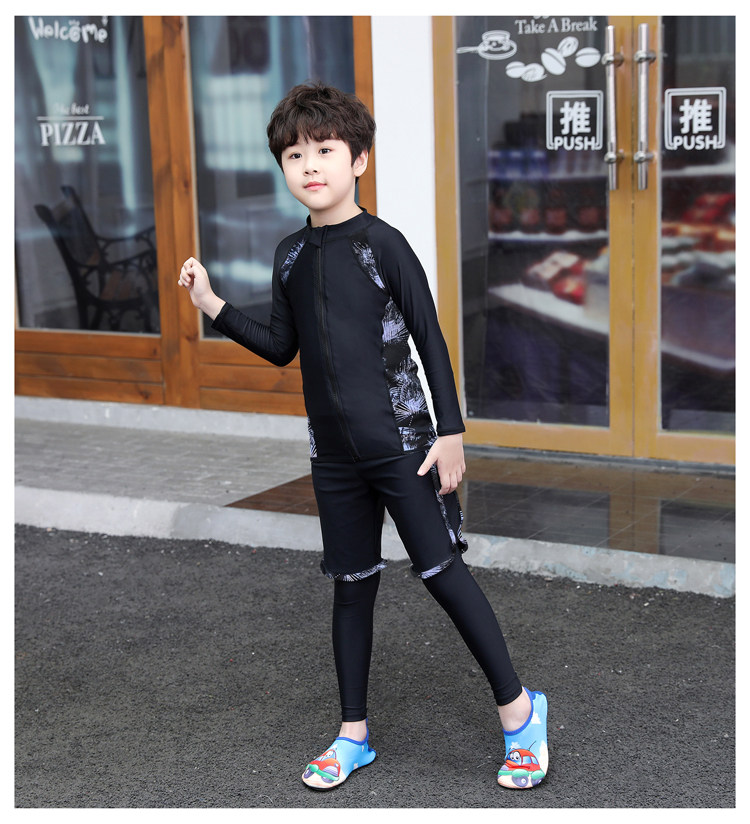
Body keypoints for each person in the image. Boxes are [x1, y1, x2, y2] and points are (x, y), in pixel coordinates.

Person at [178, 82, 548, 792]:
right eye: (295, 155)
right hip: (334, 458)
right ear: (283, 168)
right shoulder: (290, 255)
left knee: (443, 575)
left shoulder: (384, 245)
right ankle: (354, 734)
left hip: (406, 445)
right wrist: (212, 304)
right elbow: (281, 347)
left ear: (359, 161)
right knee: (351, 588)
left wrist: (451, 432)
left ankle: (521, 714)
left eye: (325, 150)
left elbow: (430, 338)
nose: (310, 165)